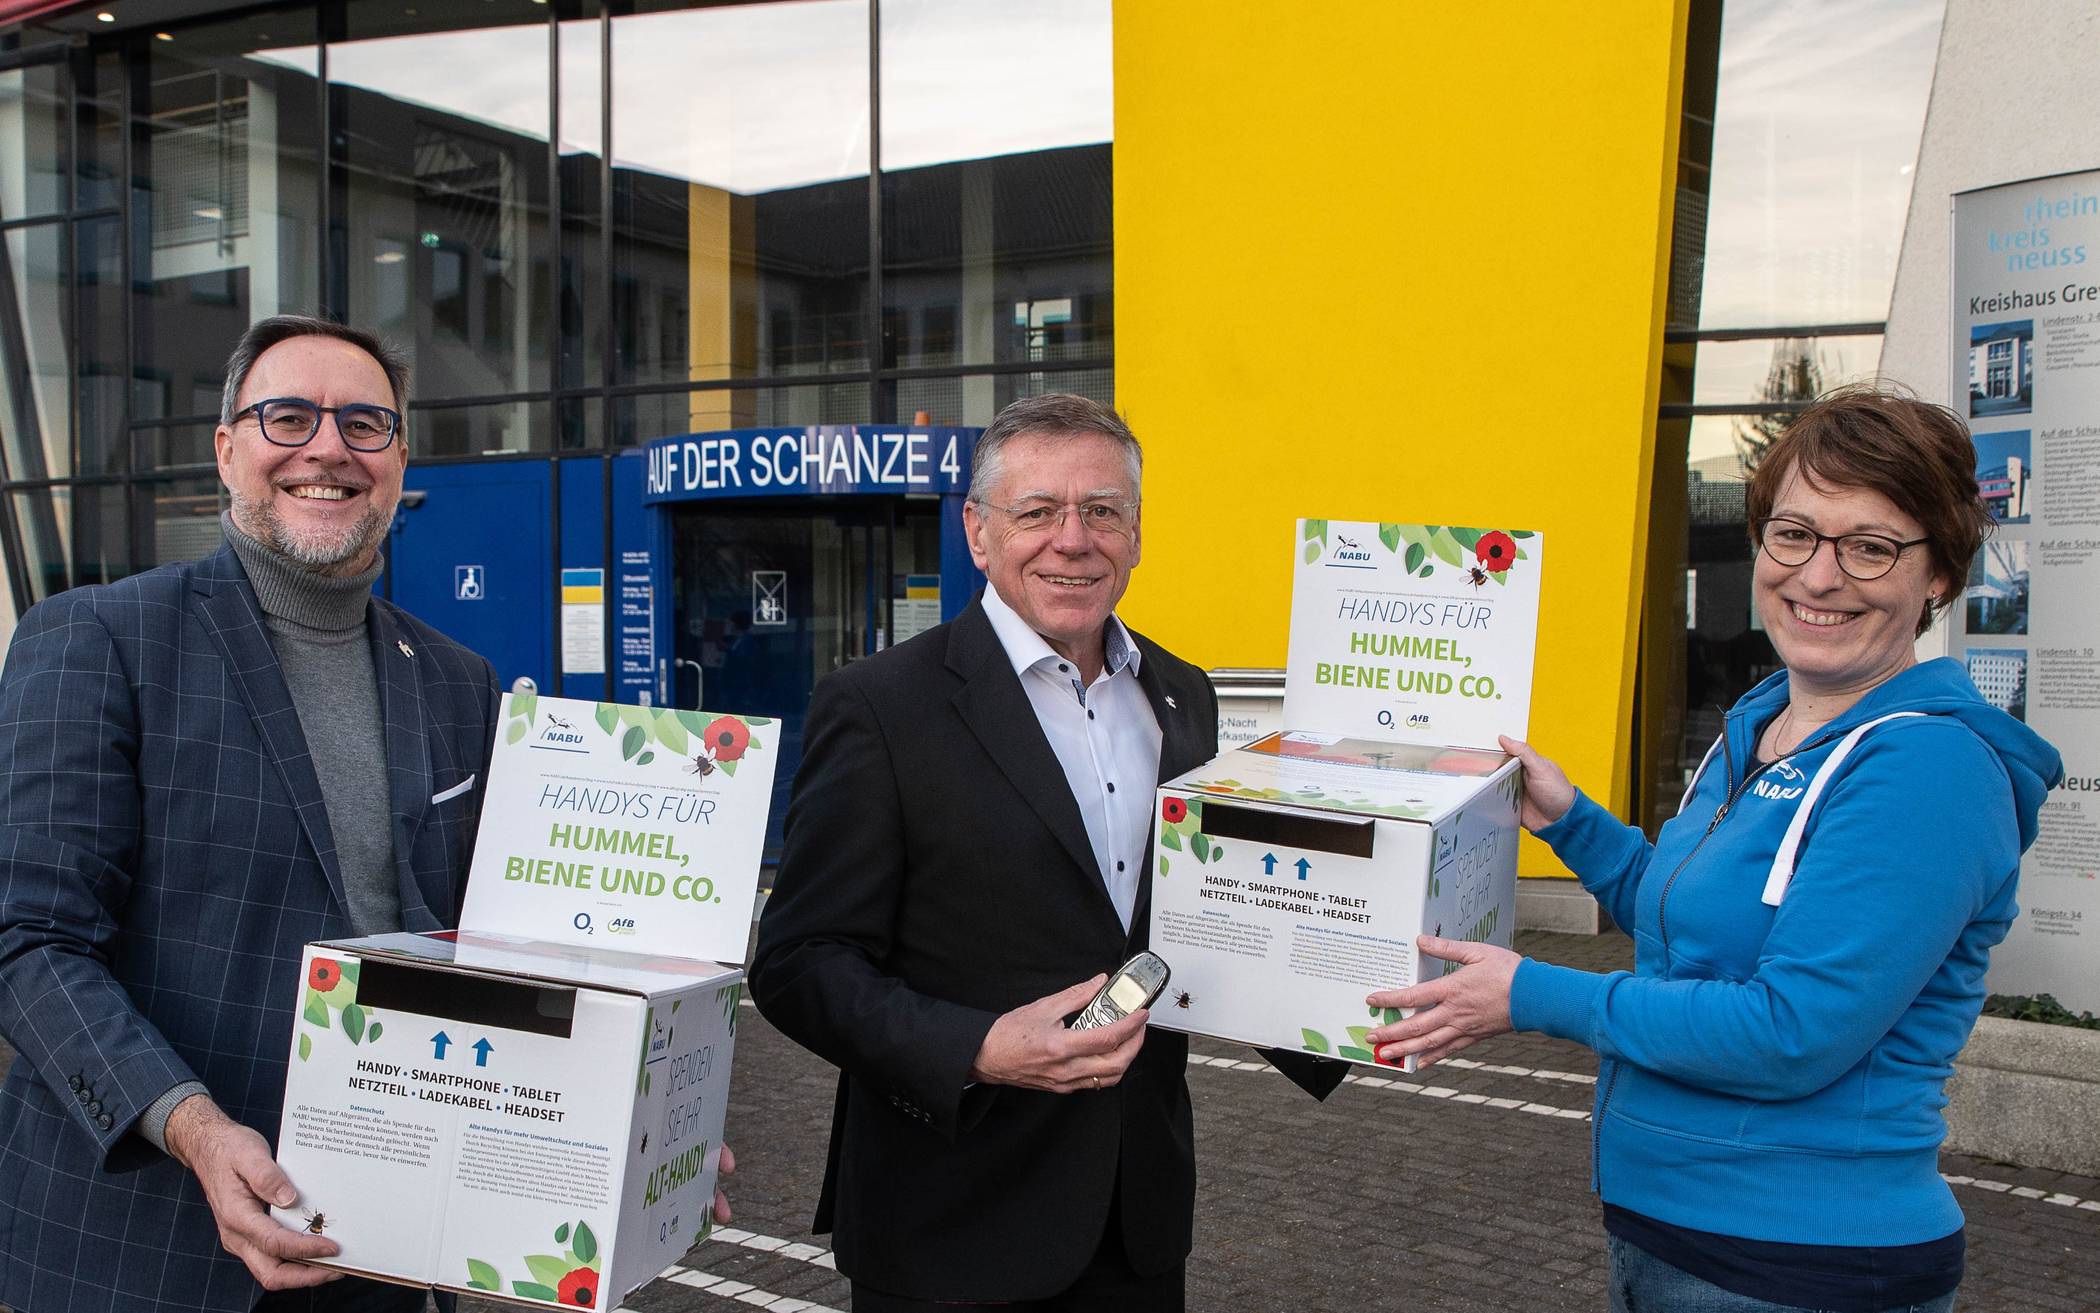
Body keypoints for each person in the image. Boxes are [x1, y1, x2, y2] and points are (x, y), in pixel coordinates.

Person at [0, 316, 733, 1312]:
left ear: (397, 460)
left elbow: (512, 942)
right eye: (287, 416)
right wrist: (195, 1128)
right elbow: (33, 942)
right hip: (145, 1251)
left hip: (384, 1251)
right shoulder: (99, 639)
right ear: (227, 450)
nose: (328, 448)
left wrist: (646, 1104)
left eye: (364, 424)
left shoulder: (457, 680)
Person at [1365, 385, 2062, 1313]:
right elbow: (1686, 915)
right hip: (1670, 1237)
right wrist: (1571, 820)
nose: (1818, 577)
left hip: (1796, 1265)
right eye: (1795, 533)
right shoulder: (1765, 721)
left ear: (1938, 575)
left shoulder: (1929, 766)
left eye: (1870, 546)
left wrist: (1531, 992)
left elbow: (1792, 1031)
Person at [752, 394, 1337, 1312]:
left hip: (1135, 1220)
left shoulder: (1184, 698)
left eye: (1102, 511)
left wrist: (1353, 997)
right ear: (978, 533)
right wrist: (978, 1047)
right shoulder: (880, 705)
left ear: (1136, 535)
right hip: (950, 1219)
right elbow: (796, 963)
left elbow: (1207, 919)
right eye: (1039, 512)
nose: (1074, 539)